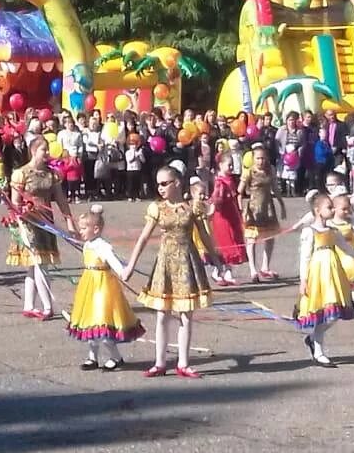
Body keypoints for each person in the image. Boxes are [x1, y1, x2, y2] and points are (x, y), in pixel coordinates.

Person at [122, 165, 218, 379]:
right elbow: (144, 237)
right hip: (164, 263)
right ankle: (160, 362)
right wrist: (130, 265)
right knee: (162, 314)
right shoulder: (157, 208)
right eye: (158, 184)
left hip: (187, 262)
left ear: (177, 183)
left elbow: (203, 235)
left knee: (186, 314)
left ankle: (183, 363)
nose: (160, 188)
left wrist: (217, 259)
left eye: (165, 183)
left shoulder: (192, 207)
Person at [66, 205, 144, 371]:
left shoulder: (103, 246)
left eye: (84, 228)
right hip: (89, 287)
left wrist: (123, 272)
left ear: (96, 229)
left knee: (101, 322)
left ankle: (116, 357)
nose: (81, 231)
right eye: (80, 228)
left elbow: (113, 261)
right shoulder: (87, 244)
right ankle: (92, 357)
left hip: (103, 289)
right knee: (90, 322)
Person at [6, 137, 75, 320]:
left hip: (47, 224)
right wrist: (22, 212)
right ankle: (47, 307)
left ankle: (29, 305)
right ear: (34, 151)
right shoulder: (21, 174)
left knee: (36, 265)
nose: (47, 153)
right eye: (44, 150)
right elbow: (14, 203)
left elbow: (61, 200)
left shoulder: (52, 175)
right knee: (39, 264)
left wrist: (69, 222)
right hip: (28, 224)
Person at [295, 193, 354, 367]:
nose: (333, 210)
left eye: (333, 207)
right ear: (317, 210)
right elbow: (305, 258)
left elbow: (347, 248)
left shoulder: (334, 231)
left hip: (333, 275)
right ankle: (318, 351)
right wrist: (303, 280)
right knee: (322, 314)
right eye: (329, 207)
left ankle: (313, 339)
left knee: (332, 314)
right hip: (317, 275)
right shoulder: (310, 232)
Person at [239, 144, 284, 282]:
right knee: (252, 239)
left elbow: (275, 189)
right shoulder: (249, 172)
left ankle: (265, 266)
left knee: (270, 237)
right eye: (258, 158)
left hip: (268, 207)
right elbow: (239, 191)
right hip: (253, 208)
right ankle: (253, 270)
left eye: (263, 158)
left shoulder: (270, 170)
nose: (261, 161)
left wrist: (282, 205)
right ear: (253, 159)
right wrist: (241, 209)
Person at [208, 153, 246, 285]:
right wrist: (212, 209)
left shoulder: (230, 180)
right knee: (225, 244)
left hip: (232, 214)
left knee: (234, 242)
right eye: (228, 164)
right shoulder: (219, 182)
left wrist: (240, 211)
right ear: (220, 165)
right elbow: (216, 199)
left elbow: (235, 197)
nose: (231, 167)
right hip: (223, 217)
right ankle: (217, 271)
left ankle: (228, 272)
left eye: (232, 165)